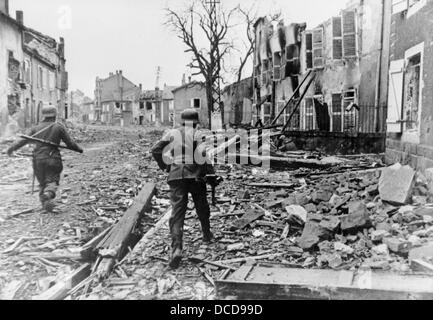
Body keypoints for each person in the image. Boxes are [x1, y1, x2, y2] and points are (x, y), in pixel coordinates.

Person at [151, 109, 214, 269]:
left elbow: (156, 150)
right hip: (195, 176)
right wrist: (211, 174)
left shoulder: (171, 133)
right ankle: (206, 235)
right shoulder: (198, 134)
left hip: (176, 176)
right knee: (202, 206)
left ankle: (177, 248)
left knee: (177, 213)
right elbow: (203, 156)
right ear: (196, 121)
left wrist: (166, 165)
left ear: (181, 121)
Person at [6, 105, 83, 212]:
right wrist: (79, 149)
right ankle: (48, 195)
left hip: (38, 159)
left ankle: (45, 204)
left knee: (42, 182)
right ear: (55, 115)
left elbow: (22, 141)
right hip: (53, 158)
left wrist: (11, 149)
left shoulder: (35, 128)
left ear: (43, 116)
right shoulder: (58, 127)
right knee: (52, 181)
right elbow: (70, 143)